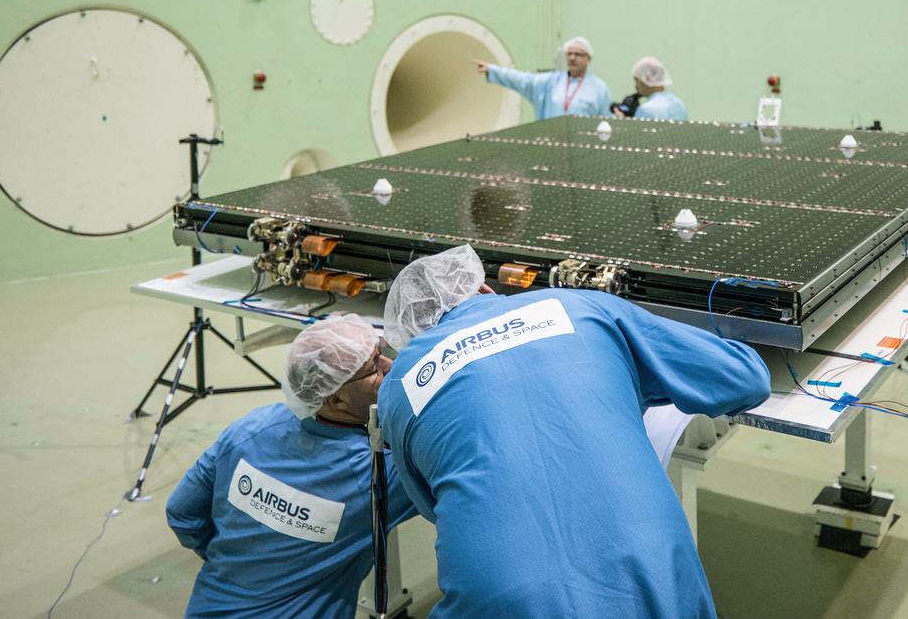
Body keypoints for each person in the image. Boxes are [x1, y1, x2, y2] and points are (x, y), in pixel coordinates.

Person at [377, 245, 770, 618]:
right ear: (483, 287)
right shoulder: (576, 305)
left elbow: (431, 502)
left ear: (414, 333)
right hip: (651, 574)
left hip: (499, 601)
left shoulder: (398, 387)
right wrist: (635, 379)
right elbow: (745, 379)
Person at [166, 315, 416, 619]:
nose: (389, 365)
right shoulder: (378, 475)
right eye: (373, 367)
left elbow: (182, 513)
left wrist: (250, 568)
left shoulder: (249, 429)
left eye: (381, 352)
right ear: (335, 398)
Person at [473, 36, 611, 119]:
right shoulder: (550, 82)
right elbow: (523, 80)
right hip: (552, 146)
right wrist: (493, 70)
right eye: (569, 54)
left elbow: (606, 122)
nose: (572, 58)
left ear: (588, 59)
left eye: (578, 54)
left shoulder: (599, 88)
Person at [612, 55, 688, 121]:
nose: (635, 86)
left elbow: (636, 136)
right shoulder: (679, 105)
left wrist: (624, 123)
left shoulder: (646, 110)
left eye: (636, 80)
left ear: (646, 79)